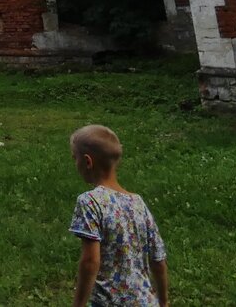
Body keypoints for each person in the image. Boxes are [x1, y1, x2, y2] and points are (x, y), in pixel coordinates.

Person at [69, 124, 168, 307]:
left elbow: (91, 262)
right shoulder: (138, 203)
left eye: (75, 158)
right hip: (145, 302)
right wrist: (163, 301)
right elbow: (158, 259)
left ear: (87, 162)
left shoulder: (90, 201)